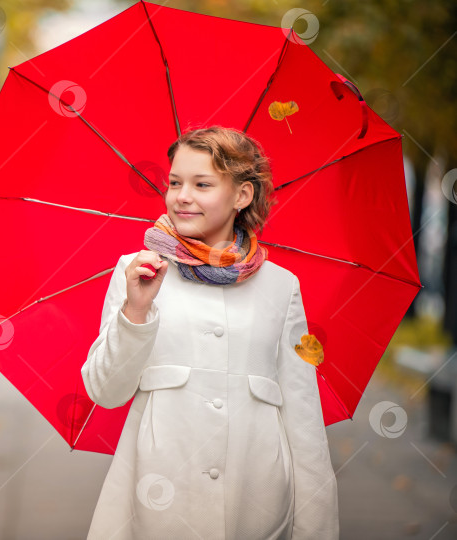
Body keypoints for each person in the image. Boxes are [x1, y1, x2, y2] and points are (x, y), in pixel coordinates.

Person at [80, 126, 339, 539]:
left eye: (202, 184)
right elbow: (105, 391)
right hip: (157, 501)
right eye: (174, 182)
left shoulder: (280, 286)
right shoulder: (138, 271)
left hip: (257, 505)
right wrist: (136, 309)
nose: (182, 196)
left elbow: (302, 413)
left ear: (242, 196)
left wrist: (315, 527)